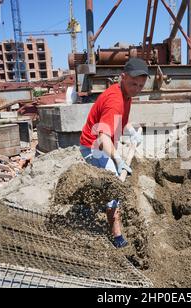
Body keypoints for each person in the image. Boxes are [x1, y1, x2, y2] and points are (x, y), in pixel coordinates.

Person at [79, 58, 148, 248]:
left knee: (108, 184)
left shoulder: (126, 96)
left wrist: (132, 132)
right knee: (114, 187)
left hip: (104, 143)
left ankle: (90, 205)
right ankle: (117, 236)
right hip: (94, 148)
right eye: (133, 83)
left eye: (141, 85)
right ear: (122, 77)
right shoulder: (115, 100)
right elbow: (102, 137)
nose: (136, 88)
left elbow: (121, 122)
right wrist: (118, 159)